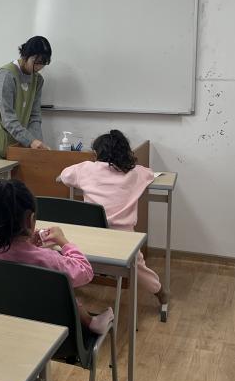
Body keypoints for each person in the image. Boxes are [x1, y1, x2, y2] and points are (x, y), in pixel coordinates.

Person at [0, 179, 114, 335]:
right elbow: (85, 271)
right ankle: (90, 321)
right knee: (62, 294)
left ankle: (89, 320)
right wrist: (63, 241)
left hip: (1, 323)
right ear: (30, 220)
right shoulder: (46, 259)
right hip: (49, 332)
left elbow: (14, 255)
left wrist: (28, 245)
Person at [57, 129, 166, 305]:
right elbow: (149, 173)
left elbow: (64, 175)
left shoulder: (86, 169)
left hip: (91, 236)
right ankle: (160, 292)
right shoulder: (135, 173)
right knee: (138, 266)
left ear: (97, 153)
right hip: (124, 239)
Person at [0, 35, 53, 159]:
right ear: (25, 56)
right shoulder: (6, 76)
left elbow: (35, 116)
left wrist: (37, 144)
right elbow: (7, 118)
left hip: (11, 149)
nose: (38, 68)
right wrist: (31, 141)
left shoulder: (38, 80)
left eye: (43, 64)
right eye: (36, 63)